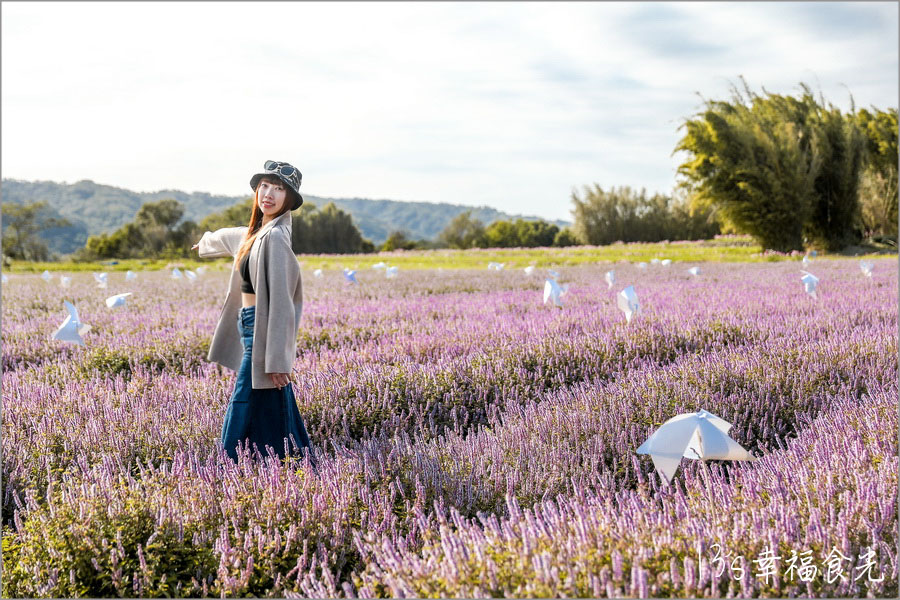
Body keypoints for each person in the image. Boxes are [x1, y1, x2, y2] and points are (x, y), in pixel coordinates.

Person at [192, 160, 314, 466]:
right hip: (249, 324)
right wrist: (205, 243)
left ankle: (227, 462)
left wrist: (279, 359)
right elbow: (230, 236)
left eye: (279, 188)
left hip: (262, 326)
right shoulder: (258, 232)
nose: (269, 193)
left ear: (290, 199)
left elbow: (284, 305)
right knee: (271, 397)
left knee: (244, 395)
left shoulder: (274, 238)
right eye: (264, 186)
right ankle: (288, 456)